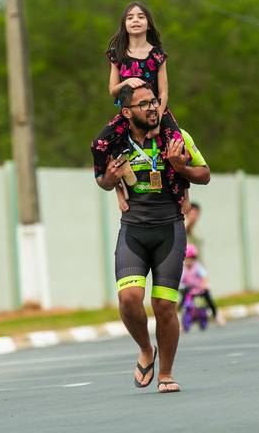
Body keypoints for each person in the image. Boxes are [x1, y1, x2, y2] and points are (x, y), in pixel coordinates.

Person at [93, 84, 210, 394]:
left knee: (163, 305)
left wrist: (181, 167)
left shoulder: (176, 138)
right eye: (144, 104)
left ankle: (166, 373)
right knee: (129, 299)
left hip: (169, 230)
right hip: (133, 230)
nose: (153, 107)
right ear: (127, 112)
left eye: (154, 101)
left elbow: (205, 174)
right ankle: (146, 349)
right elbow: (103, 180)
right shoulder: (117, 143)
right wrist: (110, 179)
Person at [96, 1, 188, 213]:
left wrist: (158, 119)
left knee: (178, 144)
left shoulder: (157, 55)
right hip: (130, 113)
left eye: (140, 16)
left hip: (157, 111)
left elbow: (163, 92)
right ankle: (116, 189)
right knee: (100, 144)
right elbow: (113, 90)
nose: (135, 20)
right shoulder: (117, 54)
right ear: (124, 24)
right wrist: (127, 82)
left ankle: (183, 194)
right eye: (130, 17)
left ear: (148, 23)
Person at [179, 244, 223, 326]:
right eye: (187, 259)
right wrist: (181, 286)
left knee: (209, 300)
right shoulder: (183, 269)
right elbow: (180, 280)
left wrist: (203, 285)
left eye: (191, 259)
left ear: (194, 259)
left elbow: (205, 277)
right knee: (183, 303)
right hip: (190, 290)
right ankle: (181, 321)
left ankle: (216, 315)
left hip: (200, 289)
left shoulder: (197, 267)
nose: (189, 261)